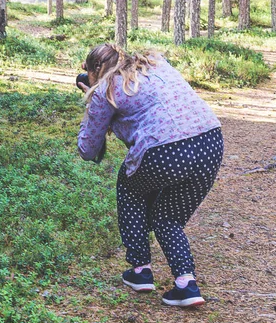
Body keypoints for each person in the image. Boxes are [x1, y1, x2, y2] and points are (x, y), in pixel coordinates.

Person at [77, 43, 223, 307]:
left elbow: (87, 150)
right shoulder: (155, 63)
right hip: (210, 141)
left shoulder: (105, 91)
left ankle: (140, 270)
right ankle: (186, 285)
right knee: (168, 217)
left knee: (130, 188)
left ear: (94, 70)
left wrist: (91, 103)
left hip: (165, 150)